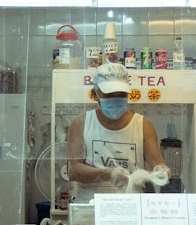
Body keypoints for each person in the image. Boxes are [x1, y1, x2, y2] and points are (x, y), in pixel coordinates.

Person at [67, 61, 169, 200]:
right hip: (91, 207)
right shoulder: (82, 123)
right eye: (109, 94)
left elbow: (155, 163)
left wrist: (160, 170)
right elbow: (74, 171)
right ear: (94, 94)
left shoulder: (143, 125)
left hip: (131, 205)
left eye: (121, 94)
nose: (115, 98)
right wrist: (108, 174)